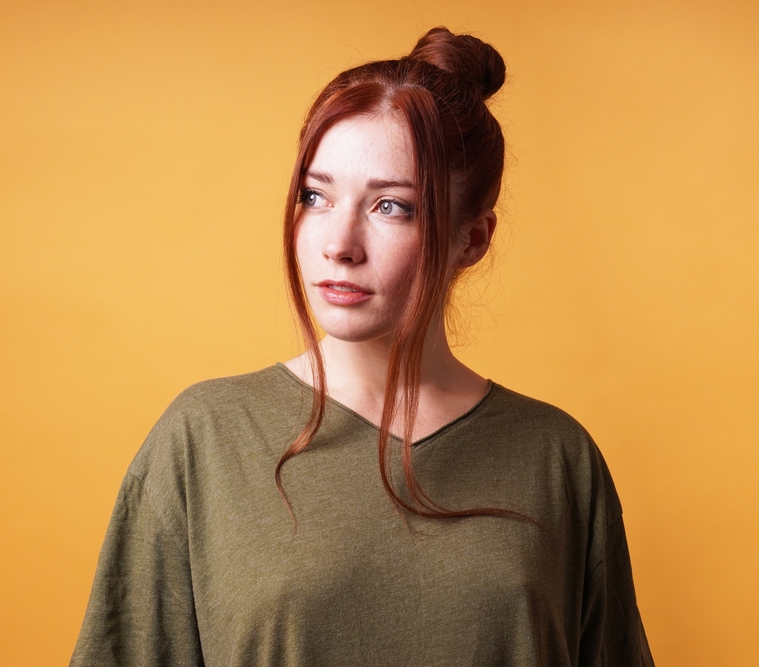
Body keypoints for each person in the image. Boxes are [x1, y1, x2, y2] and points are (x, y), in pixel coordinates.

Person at [70, 27, 654, 667]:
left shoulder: (555, 456)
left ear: (472, 239)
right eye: (315, 196)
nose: (338, 243)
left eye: (391, 207)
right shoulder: (205, 438)